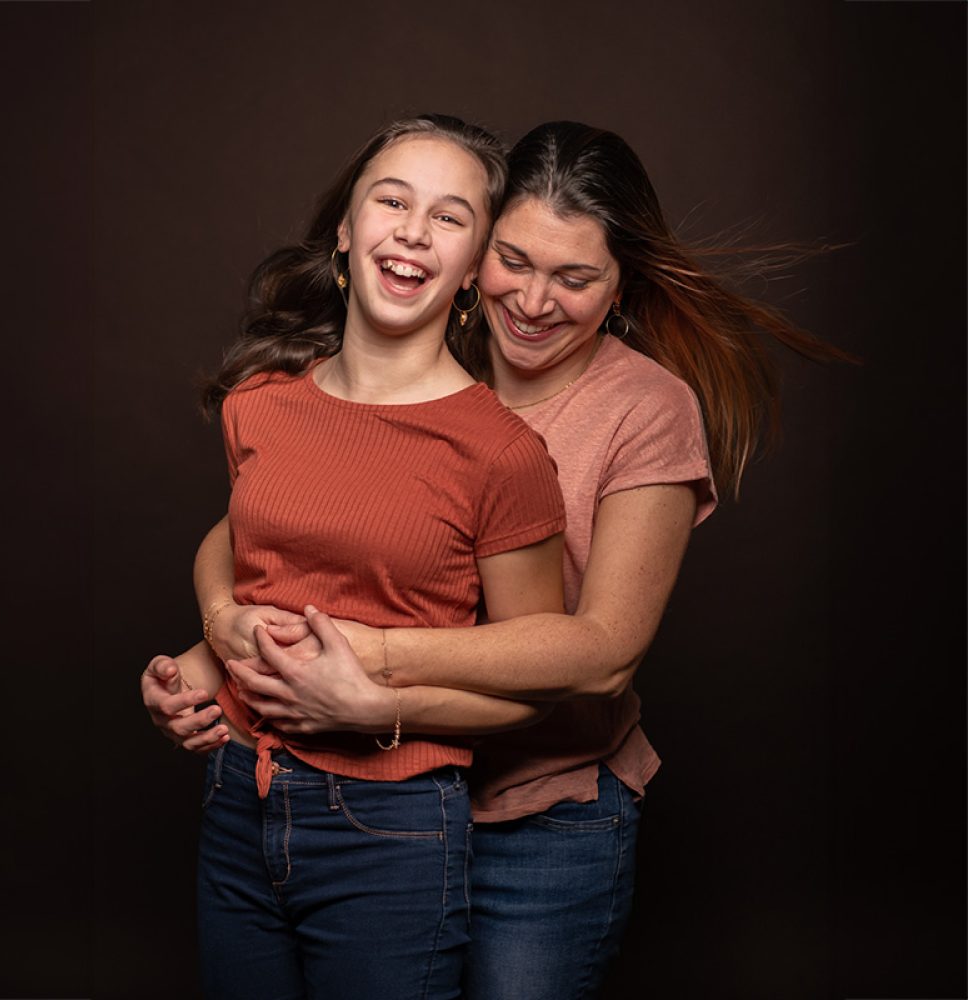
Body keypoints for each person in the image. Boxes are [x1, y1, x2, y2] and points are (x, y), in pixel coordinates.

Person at [145, 121, 849, 1000]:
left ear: (621, 282)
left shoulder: (643, 411)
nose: (535, 301)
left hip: (538, 818)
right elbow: (259, 519)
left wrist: (377, 675)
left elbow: (603, 656)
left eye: (576, 278)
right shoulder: (425, 335)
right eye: (515, 260)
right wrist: (222, 638)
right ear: (478, 255)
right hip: (361, 798)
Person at [151, 114, 571, 1000]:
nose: (414, 230)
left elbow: (540, 677)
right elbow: (246, 544)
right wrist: (207, 651)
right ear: (346, 230)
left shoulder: (500, 454)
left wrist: (380, 706)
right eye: (392, 199)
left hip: (391, 831)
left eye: (450, 217)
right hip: (237, 798)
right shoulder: (260, 404)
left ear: (471, 273)